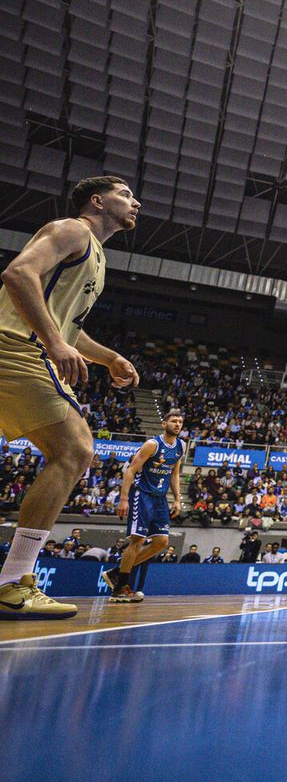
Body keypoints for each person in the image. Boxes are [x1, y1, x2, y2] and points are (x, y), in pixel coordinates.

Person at [0, 175, 141, 618]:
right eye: (125, 194)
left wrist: (109, 357)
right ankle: (12, 582)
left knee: (73, 451)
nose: (135, 202)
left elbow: (68, 329)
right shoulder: (72, 230)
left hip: (23, 348)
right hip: (15, 348)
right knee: (75, 450)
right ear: (97, 201)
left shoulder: (96, 255)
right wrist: (54, 343)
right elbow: (17, 273)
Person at [106, 409, 187, 603]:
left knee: (161, 542)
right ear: (164, 424)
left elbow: (174, 474)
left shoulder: (181, 446)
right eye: (173, 421)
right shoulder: (152, 444)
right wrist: (123, 499)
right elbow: (131, 470)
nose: (177, 424)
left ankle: (117, 573)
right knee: (138, 540)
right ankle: (120, 588)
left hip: (160, 498)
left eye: (180, 422)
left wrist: (177, 499)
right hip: (141, 494)